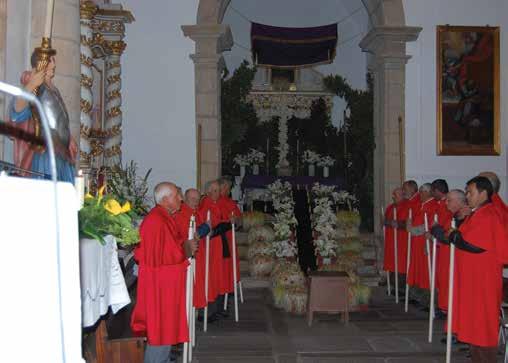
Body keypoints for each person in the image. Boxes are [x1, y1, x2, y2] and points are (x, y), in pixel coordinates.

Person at [130, 182, 198, 363]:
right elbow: (169, 254)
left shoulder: (163, 217)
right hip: (159, 289)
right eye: (177, 195)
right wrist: (187, 249)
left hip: (164, 286)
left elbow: (171, 246)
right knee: (160, 331)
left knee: (164, 331)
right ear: (166, 199)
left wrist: (185, 245)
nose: (181, 198)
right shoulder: (157, 220)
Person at [448, 176, 507, 362]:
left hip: (483, 281)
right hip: (474, 280)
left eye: (470, 192)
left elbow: (475, 245)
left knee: (482, 328)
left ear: (483, 193)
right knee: (474, 327)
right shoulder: (478, 212)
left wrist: (454, 237)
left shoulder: (489, 215)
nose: (467, 196)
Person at [9, 50, 77, 182]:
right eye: (50, 60)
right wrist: (31, 85)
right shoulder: (37, 86)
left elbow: (58, 117)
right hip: (46, 152)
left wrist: (69, 137)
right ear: (41, 63)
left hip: (62, 152)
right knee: (48, 195)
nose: (54, 64)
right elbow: (16, 112)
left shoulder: (53, 88)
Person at [430, 189, 471, 316]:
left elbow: (450, 238)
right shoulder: (454, 216)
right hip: (448, 261)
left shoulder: (465, 217)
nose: (446, 203)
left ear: (460, 201)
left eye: (449, 200)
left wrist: (436, 229)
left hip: (459, 263)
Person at [174, 188, 211, 311]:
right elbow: (193, 234)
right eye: (192, 199)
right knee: (190, 287)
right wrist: (206, 227)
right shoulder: (182, 213)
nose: (196, 202)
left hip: (198, 254)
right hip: (189, 255)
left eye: (198, 199)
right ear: (185, 199)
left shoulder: (195, 212)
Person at [198, 180, 228, 319]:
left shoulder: (216, 204)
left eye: (218, 190)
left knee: (218, 277)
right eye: (215, 190)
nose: (218, 193)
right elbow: (209, 225)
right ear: (209, 192)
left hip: (218, 244)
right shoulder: (206, 205)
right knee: (211, 277)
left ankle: (216, 309)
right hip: (211, 246)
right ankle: (207, 312)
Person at [407, 183, 437, 294]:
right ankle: (420, 295)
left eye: (421, 191)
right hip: (417, 243)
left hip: (424, 241)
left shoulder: (433, 205)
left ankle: (428, 297)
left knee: (426, 270)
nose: (419, 194)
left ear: (427, 192)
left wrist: (412, 230)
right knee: (418, 270)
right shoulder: (422, 205)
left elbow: (429, 224)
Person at [217, 177, 242, 296]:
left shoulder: (230, 202)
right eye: (225, 188)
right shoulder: (214, 201)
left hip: (229, 237)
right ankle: (222, 288)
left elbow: (239, 218)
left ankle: (229, 286)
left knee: (230, 264)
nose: (227, 191)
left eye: (228, 188)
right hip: (219, 238)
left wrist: (236, 220)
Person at [383, 188, 404, 292]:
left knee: (399, 263)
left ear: (402, 195)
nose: (393, 197)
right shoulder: (390, 207)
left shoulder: (405, 206)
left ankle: (399, 287)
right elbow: (386, 220)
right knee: (391, 262)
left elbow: (403, 222)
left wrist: (396, 223)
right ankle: (392, 284)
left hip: (401, 240)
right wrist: (388, 222)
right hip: (391, 239)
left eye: (395, 195)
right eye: (393, 195)